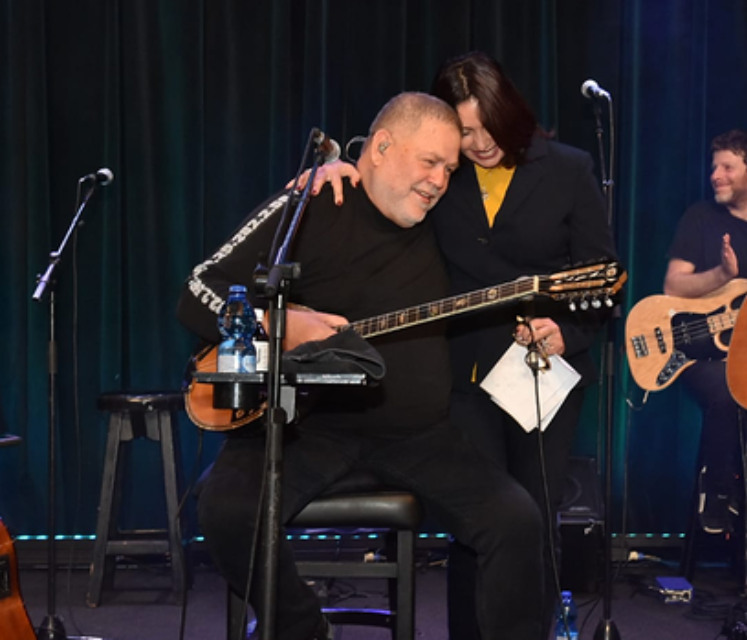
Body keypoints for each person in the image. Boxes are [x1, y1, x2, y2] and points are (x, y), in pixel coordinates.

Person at [177, 92, 544, 640]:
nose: (439, 181)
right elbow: (197, 292)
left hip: (420, 434)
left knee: (516, 520)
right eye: (430, 162)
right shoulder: (312, 203)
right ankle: (305, 630)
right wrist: (279, 324)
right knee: (226, 510)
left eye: (449, 169)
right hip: (304, 428)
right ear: (382, 147)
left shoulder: (448, 219)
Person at [304, 52, 617, 640]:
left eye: (486, 125)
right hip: (460, 372)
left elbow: (603, 278)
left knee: (535, 519)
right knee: (478, 523)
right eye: (463, 132)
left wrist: (566, 331)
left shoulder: (570, 169)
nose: (477, 143)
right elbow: (383, 177)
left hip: (543, 368)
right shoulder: (441, 174)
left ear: (510, 111)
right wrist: (333, 171)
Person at [664, 130, 747, 535]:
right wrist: (724, 273)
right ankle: (719, 490)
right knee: (730, 390)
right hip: (702, 355)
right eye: (714, 167)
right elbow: (673, 286)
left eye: (727, 167)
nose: (716, 175)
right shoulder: (700, 218)